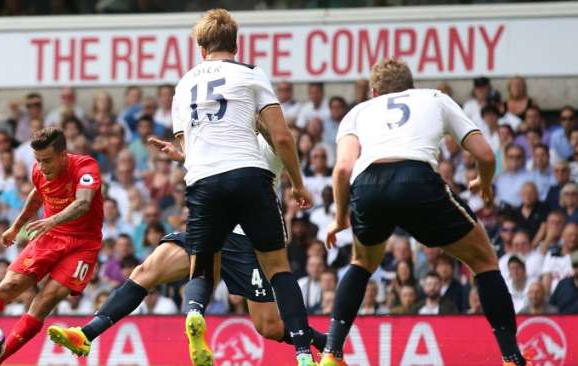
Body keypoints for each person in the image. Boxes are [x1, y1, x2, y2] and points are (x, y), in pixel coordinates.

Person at [322, 59, 528, 366]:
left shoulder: (358, 112)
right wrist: (483, 182)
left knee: (362, 263)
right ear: (412, 86)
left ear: (374, 91)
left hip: (368, 187)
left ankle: (331, 354)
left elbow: (342, 170)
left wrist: (340, 220)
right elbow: (485, 154)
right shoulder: (434, 98)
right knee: (484, 261)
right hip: (416, 180)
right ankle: (512, 358)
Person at [47, 136, 326, 360]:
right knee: (147, 270)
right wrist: (185, 157)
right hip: (210, 226)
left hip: (245, 240)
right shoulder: (220, 134)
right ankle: (86, 334)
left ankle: (326, 344)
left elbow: (281, 147)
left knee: (270, 327)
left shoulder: (266, 143)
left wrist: (299, 185)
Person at [164, 9, 315, 366]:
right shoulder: (250, 73)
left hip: (203, 180)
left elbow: (188, 149)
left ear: (201, 48)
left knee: (202, 264)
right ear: (236, 43)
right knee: (278, 268)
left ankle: (195, 312)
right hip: (249, 175)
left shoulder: (184, 84)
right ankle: (304, 353)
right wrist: (297, 183)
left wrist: (177, 156)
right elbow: (280, 136)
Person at [0, 127, 104, 366]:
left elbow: (83, 204)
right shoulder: (39, 170)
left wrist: (51, 219)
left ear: (63, 155)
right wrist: (16, 226)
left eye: (48, 160)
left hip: (82, 245)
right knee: (10, 285)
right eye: (38, 160)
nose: (42, 167)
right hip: (50, 236)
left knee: (44, 300)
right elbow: (38, 194)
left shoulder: (85, 167)